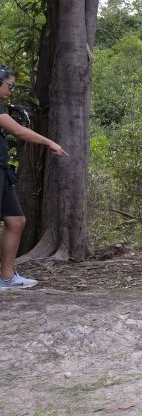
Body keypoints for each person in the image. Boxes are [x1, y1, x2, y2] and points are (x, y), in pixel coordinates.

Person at [0, 66, 67, 290]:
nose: (11, 90)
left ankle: (7, 277)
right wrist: (49, 142)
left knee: (16, 221)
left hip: (2, 171)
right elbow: (18, 131)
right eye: (9, 86)